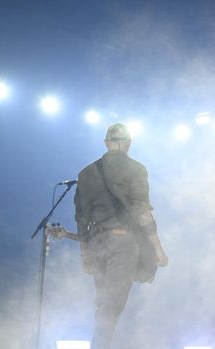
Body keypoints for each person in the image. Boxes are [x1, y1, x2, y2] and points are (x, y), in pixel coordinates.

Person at [74, 123, 168, 349]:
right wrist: (157, 248)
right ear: (128, 143)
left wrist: (85, 254)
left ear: (106, 142)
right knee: (113, 305)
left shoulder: (86, 173)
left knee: (103, 302)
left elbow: (81, 218)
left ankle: (102, 344)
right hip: (123, 243)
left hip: (97, 244)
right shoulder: (136, 170)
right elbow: (142, 211)